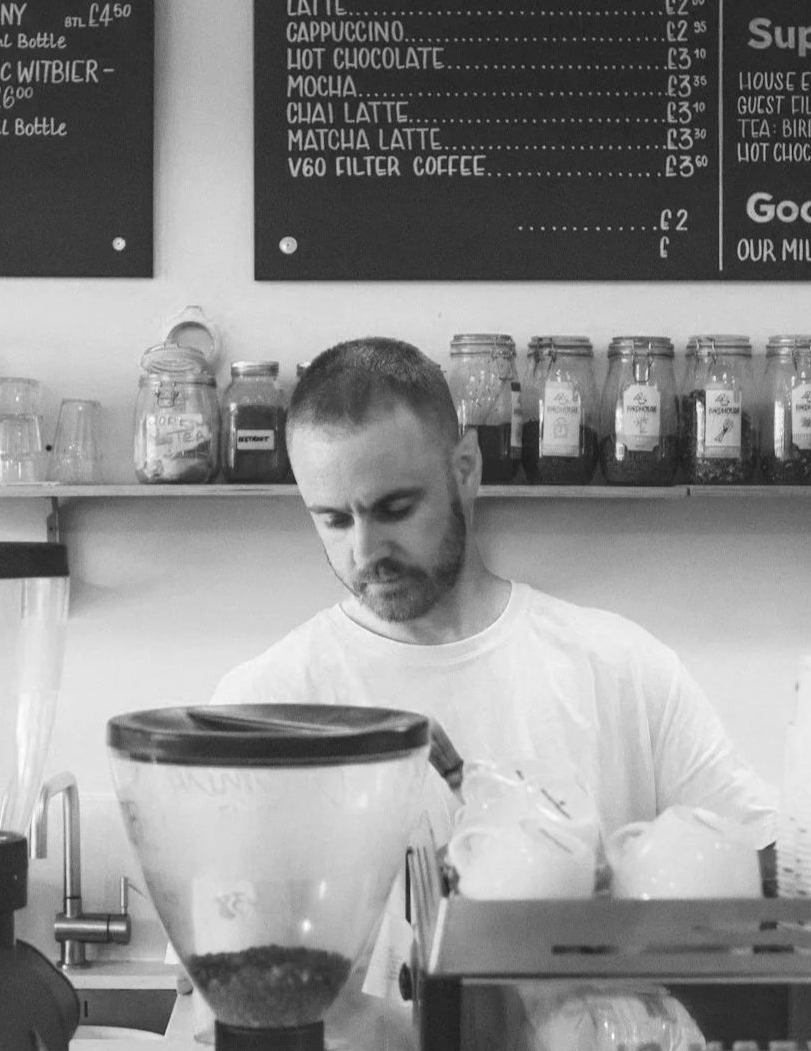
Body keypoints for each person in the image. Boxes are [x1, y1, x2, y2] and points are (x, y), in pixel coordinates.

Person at [214, 335, 776, 846]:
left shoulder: (625, 671)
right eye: (334, 519)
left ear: (465, 470)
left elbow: (764, 866)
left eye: (396, 509)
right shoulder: (265, 705)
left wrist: (611, 879)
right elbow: (220, 938)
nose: (365, 552)